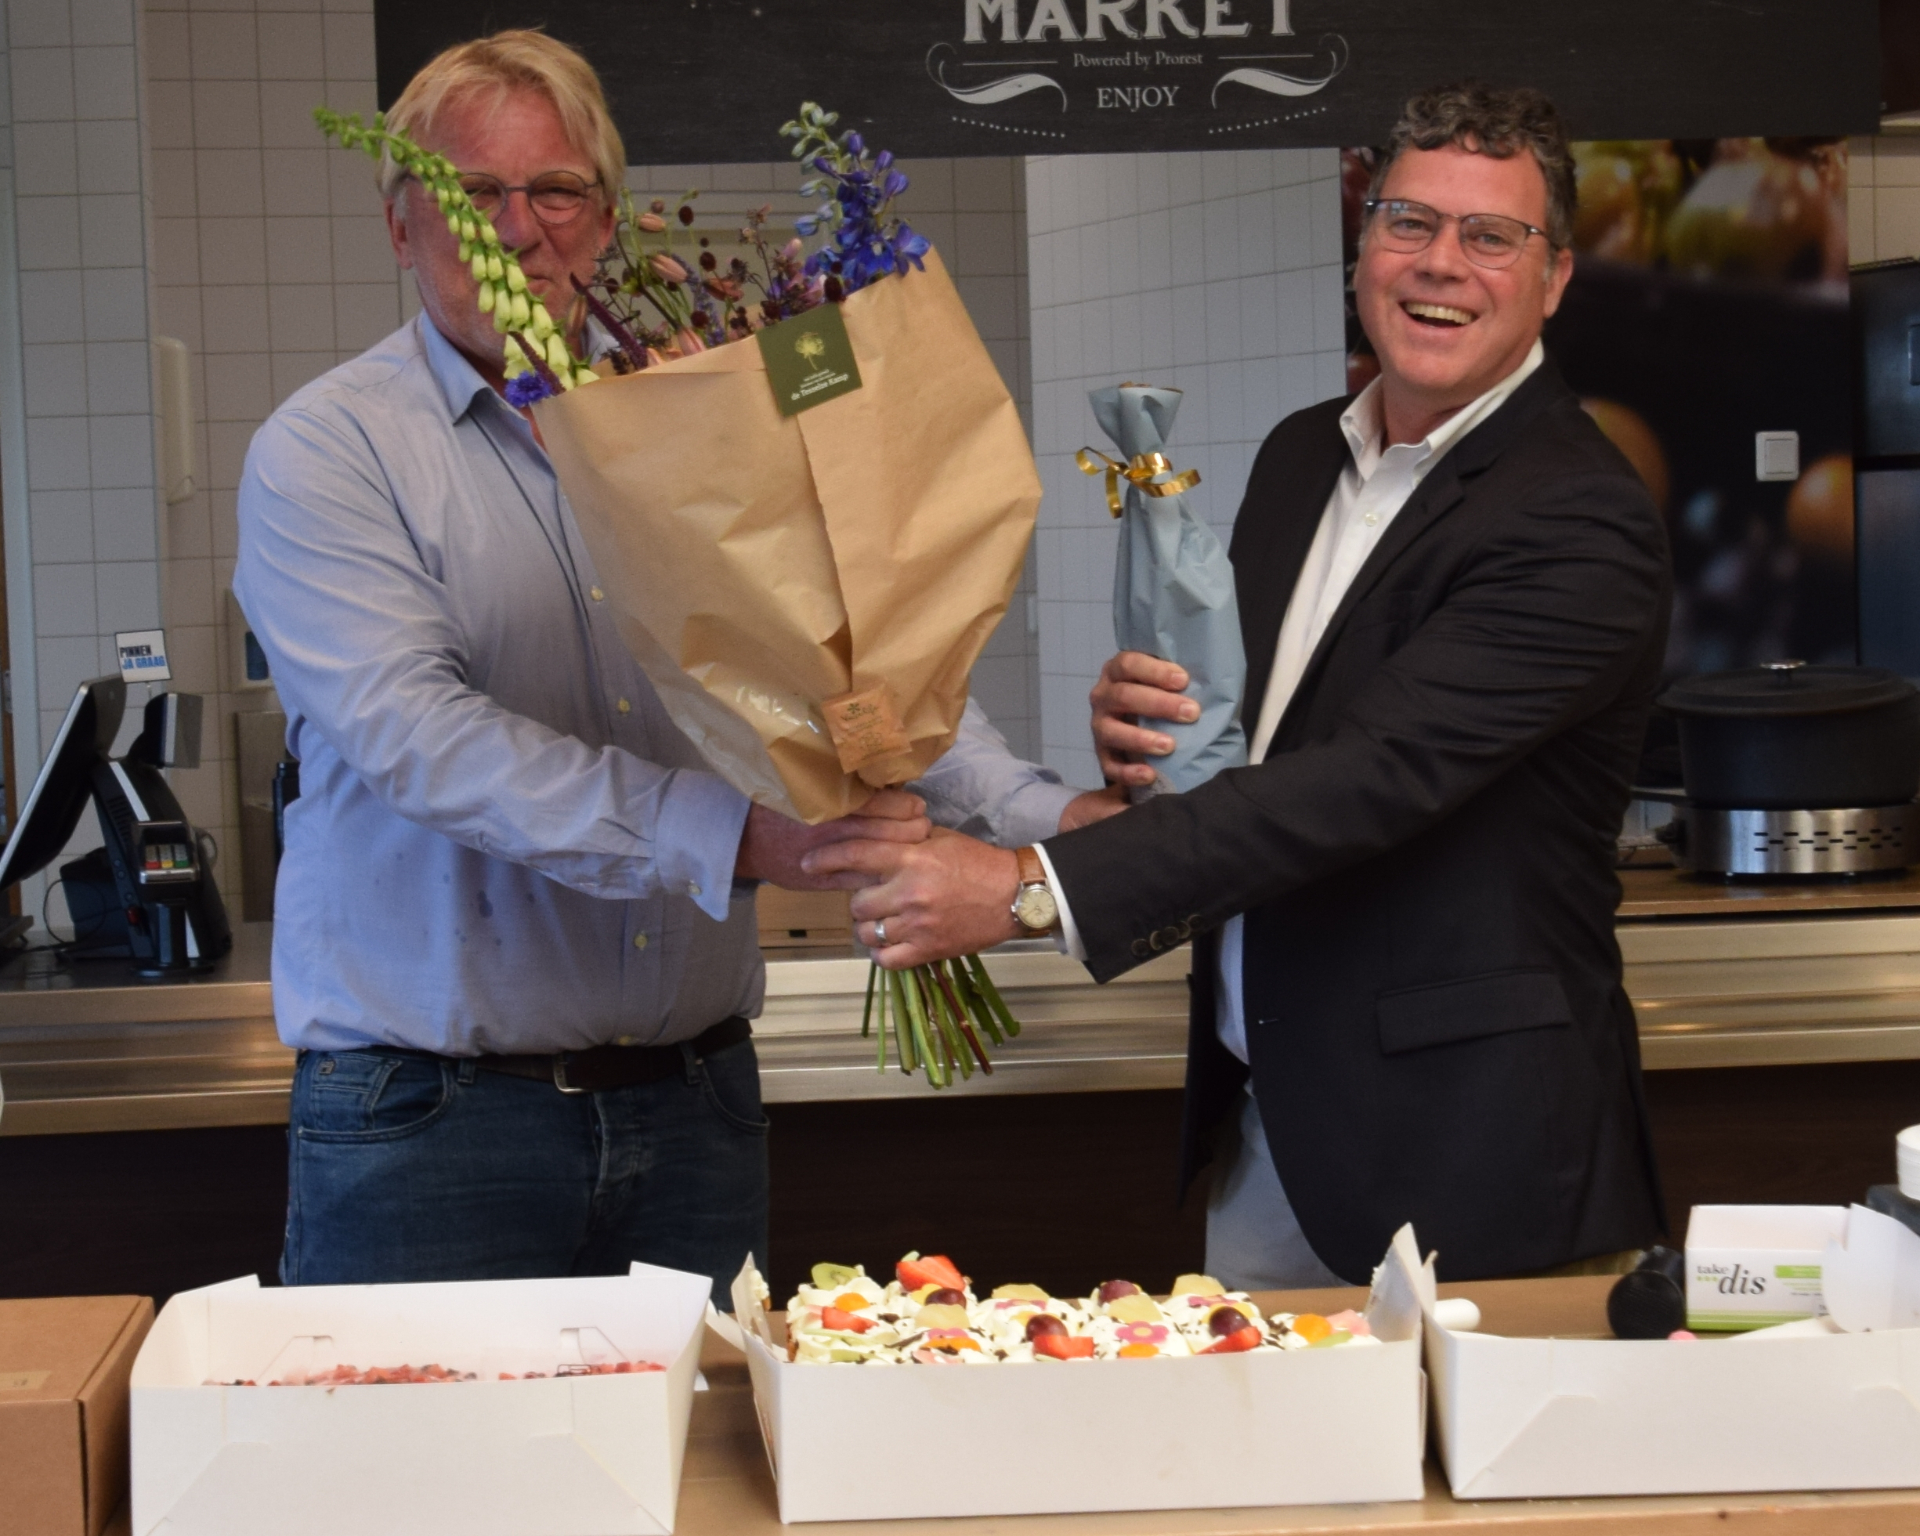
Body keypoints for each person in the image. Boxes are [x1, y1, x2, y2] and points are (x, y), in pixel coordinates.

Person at [234, 30, 1106, 1302]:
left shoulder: (712, 413)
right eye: (474, 194)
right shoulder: (329, 454)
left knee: (699, 1498)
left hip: (697, 1108)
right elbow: (423, 739)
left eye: (557, 191)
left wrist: (1062, 824)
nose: (520, 229)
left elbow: (860, 664)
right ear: (402, 225)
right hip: (433, 1128)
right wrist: (749, 839)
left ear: (608, 217)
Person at [811, 83, 1672, 1286]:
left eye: (1492, 236)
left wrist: (1029, 888)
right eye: (1409, 221)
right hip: (1270, 1127)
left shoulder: (1579, 519)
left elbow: (1365, 783)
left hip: (1468, 1158)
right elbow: (1258, 745)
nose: (1441, 264)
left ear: (1555, 277)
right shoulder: (1301, 453)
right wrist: (1150, 735)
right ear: (1362, 240)